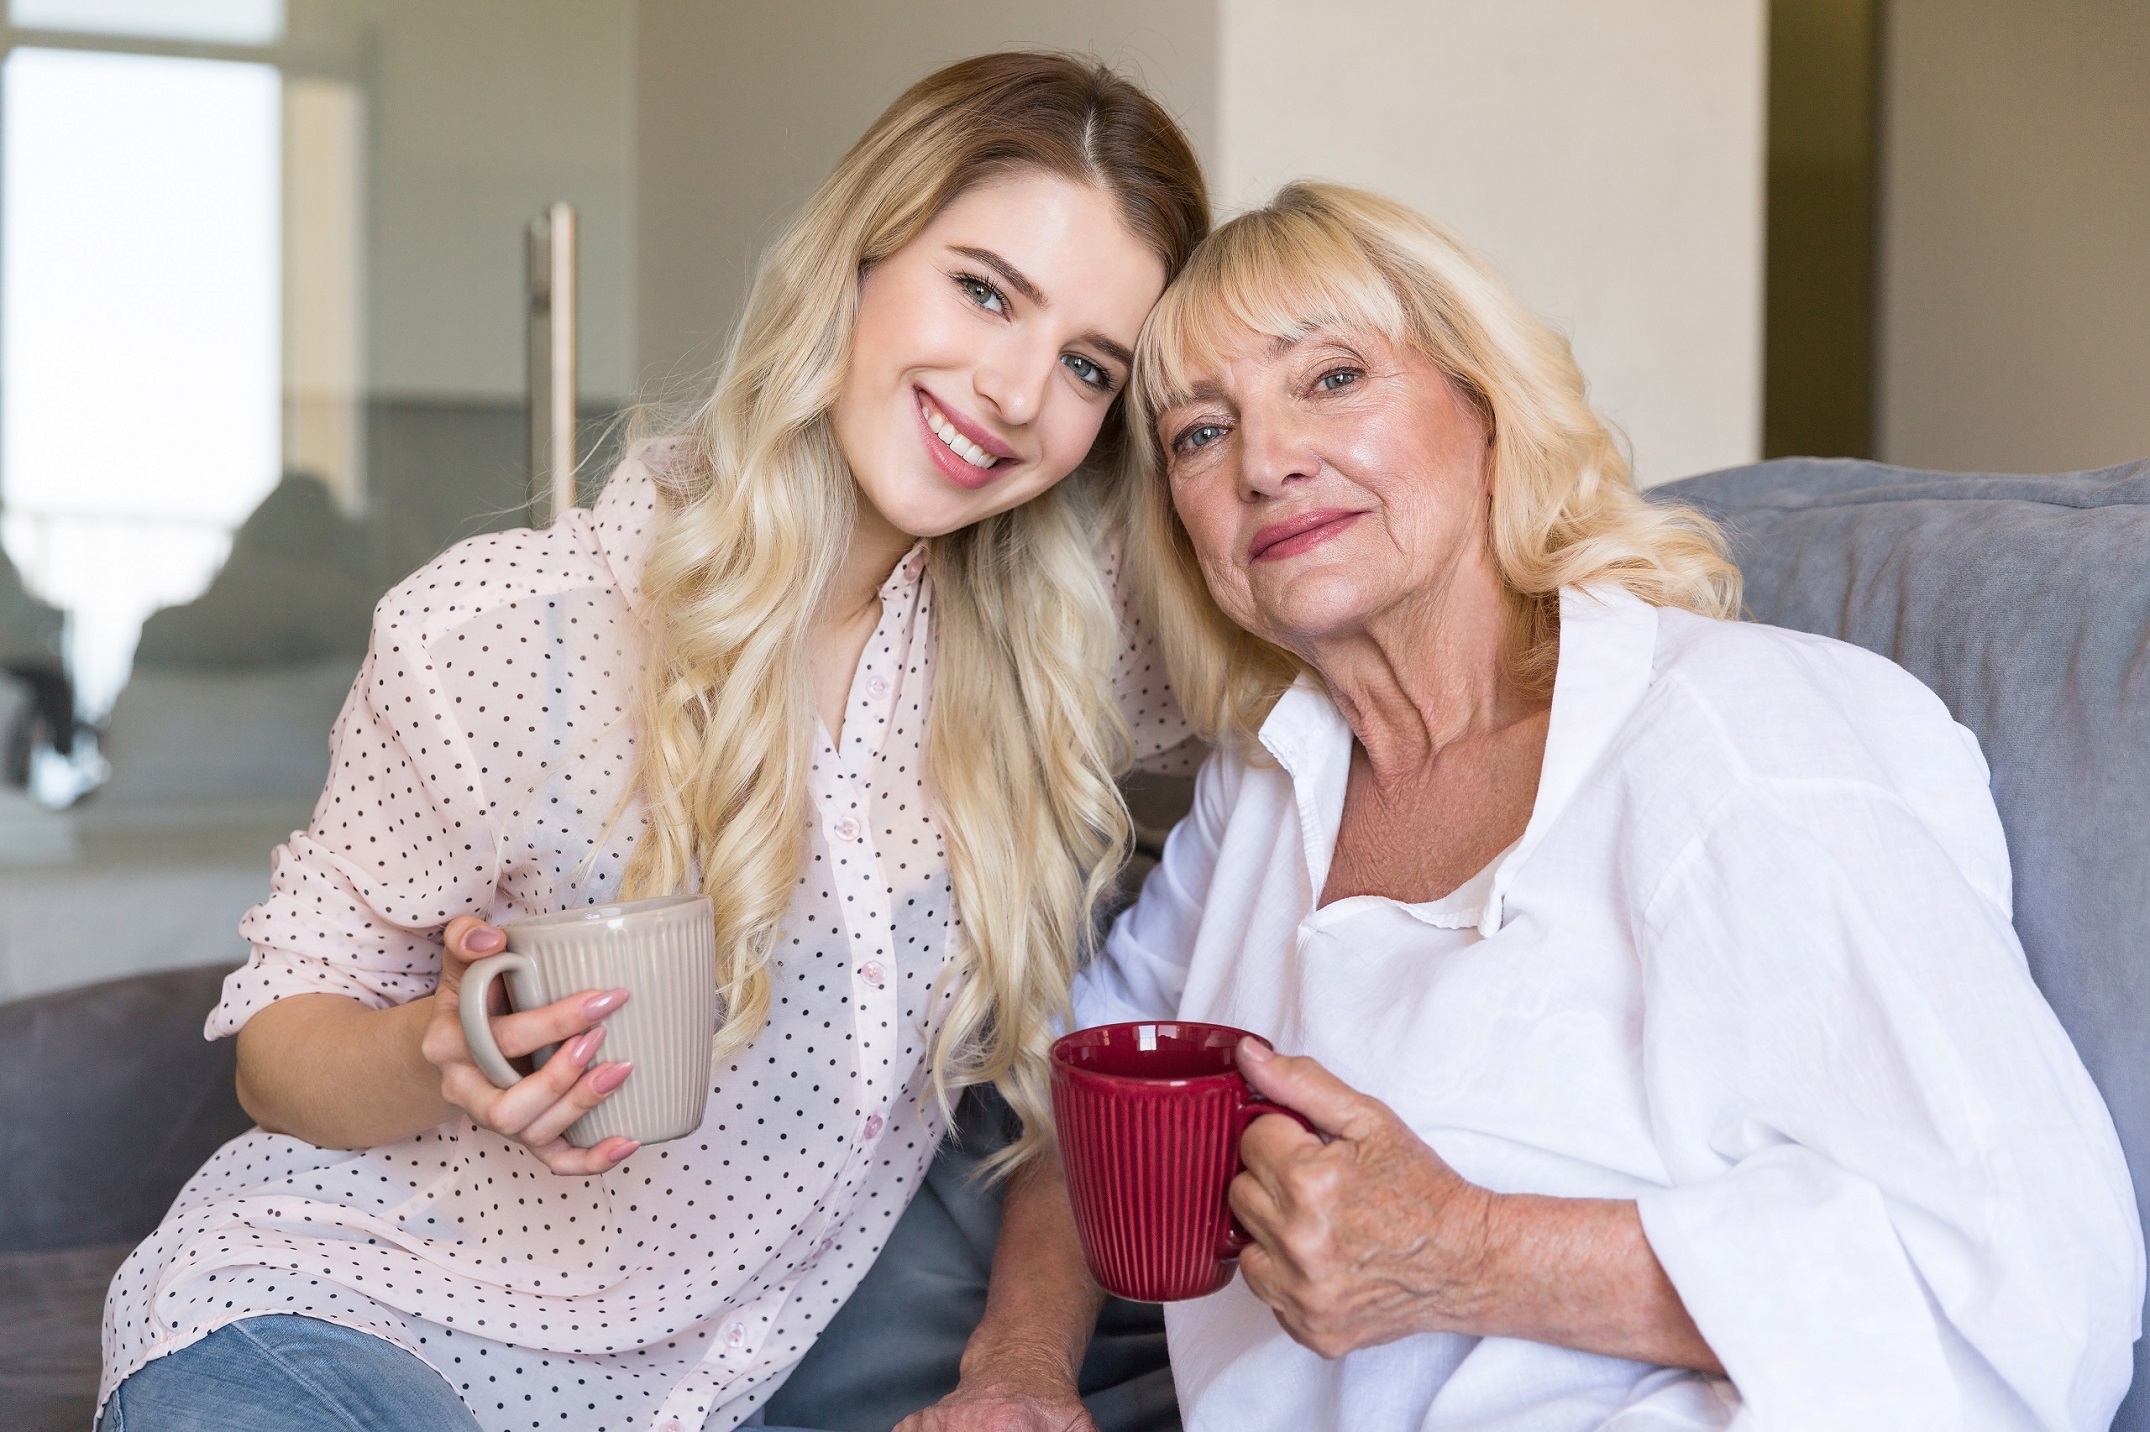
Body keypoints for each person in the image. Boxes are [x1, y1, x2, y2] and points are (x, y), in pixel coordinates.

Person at [99, 53, 1208, 1432]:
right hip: (340, 1328)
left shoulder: (1055, 661)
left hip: (708, 1386)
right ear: (859, 260)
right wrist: (439, 1049)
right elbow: (276, 1044)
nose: (1012, 391)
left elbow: (1366, 638)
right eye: (984, 291)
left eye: (1086, 366)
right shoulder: (504, 633)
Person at [948, 182, 2145, 1431]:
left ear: (1482, 408)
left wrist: (1466, 1249)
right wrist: (1017, 1371)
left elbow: (2024, 1266)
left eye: (1333, 378)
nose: (1265, 461)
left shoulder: (1734, 736)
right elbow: (1083, 1105)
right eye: (1199, 433)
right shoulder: (1264, 787)